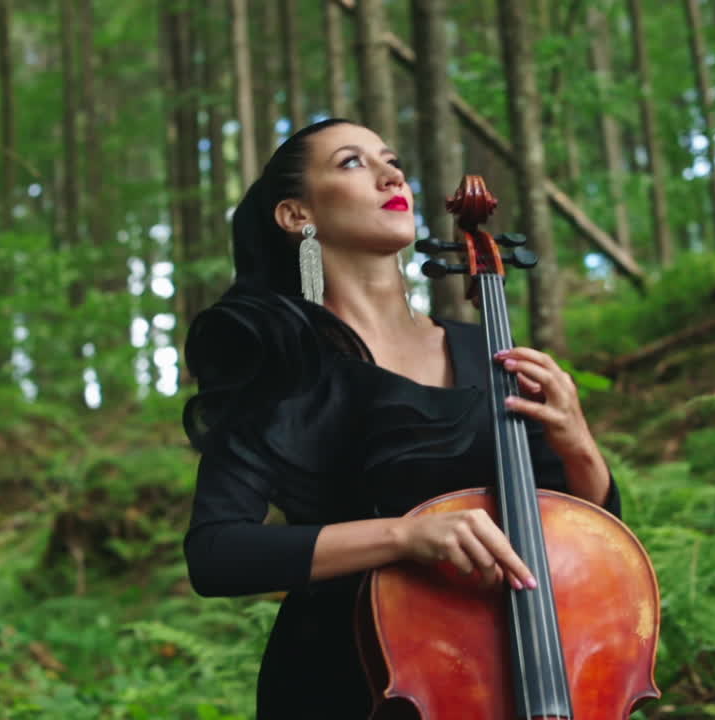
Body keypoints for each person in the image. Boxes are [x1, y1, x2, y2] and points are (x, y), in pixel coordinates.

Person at [182, 118, 620, 719]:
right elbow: (217, 553)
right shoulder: (284, 367)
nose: (393, 174)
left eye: (391, 160)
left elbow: (588, 535)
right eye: (352, 163)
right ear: (296, 216)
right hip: (348, 681)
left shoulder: (486, 352)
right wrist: (405, 537)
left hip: (507, 670)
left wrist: (579, 444)